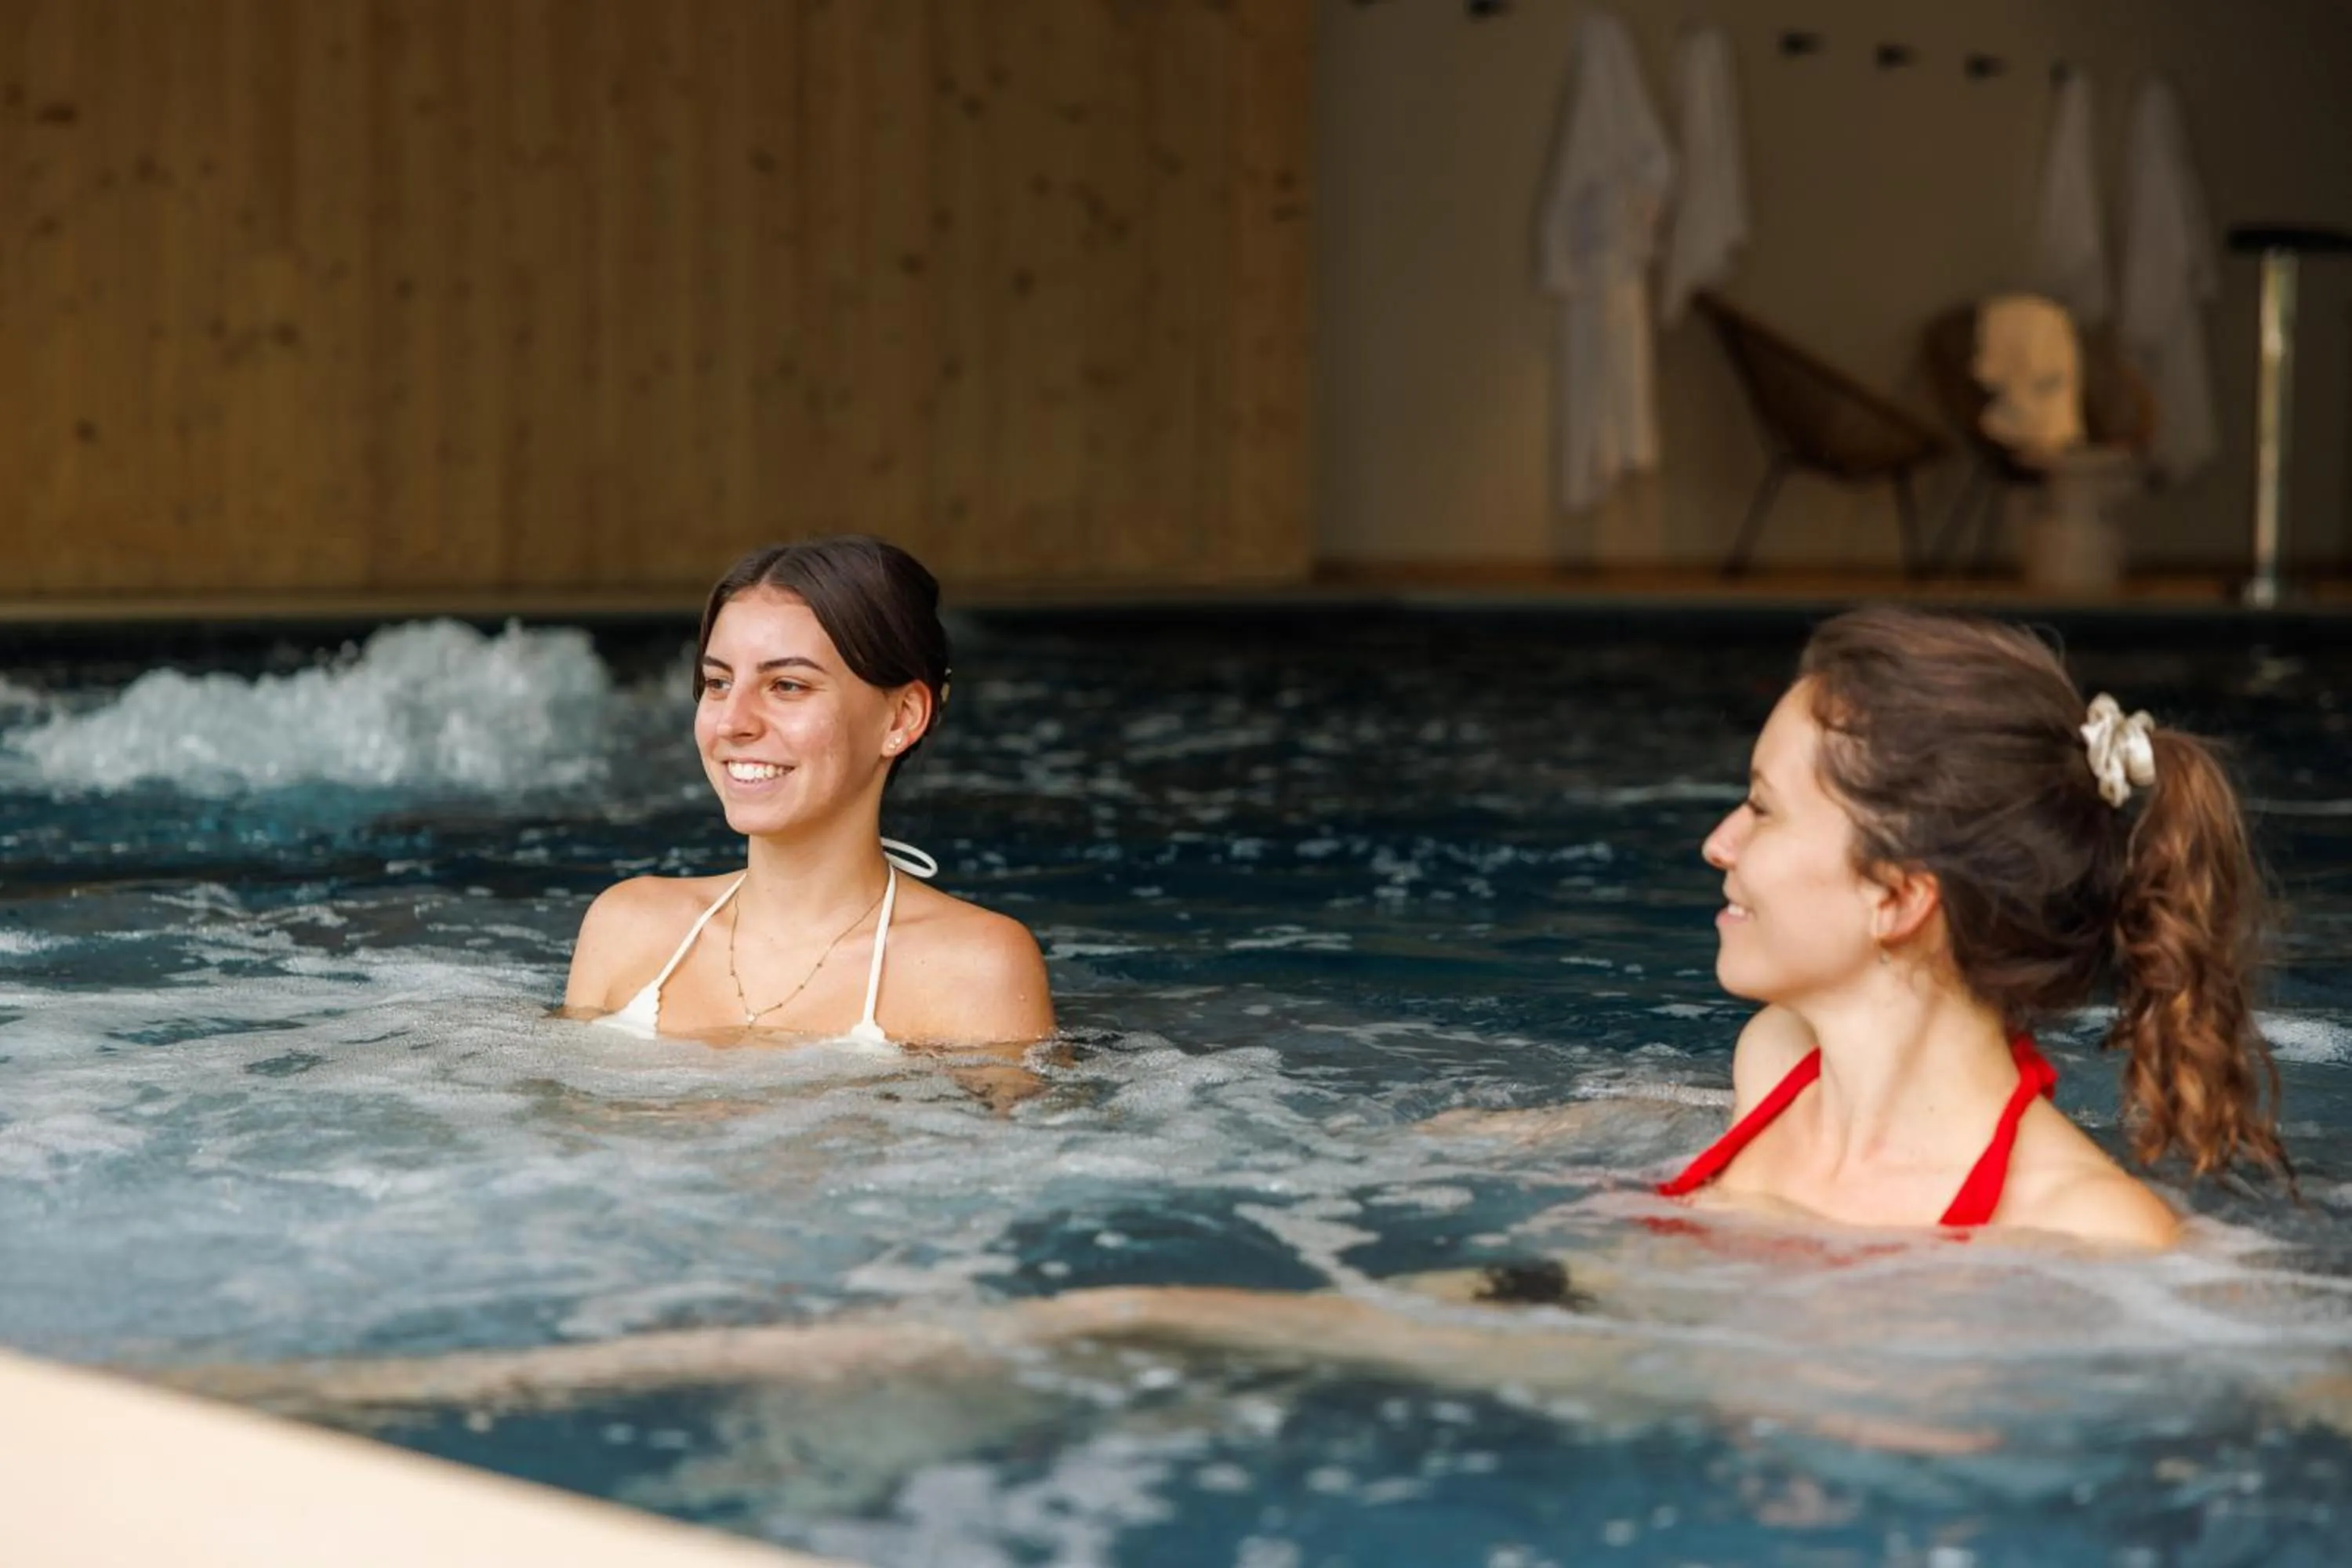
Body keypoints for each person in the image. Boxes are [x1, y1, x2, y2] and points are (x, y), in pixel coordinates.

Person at [1661, 605, 2290, 1247]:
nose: (1718, 844)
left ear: (1898, 898)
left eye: (1763, 808)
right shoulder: (1774, 1064)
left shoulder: (2095, 1234)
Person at [564, 536, 1054, 1050]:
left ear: (902, 717)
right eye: (717, 682)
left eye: (788, 686)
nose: (733, 722)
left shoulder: (975, 966)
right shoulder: (626, 927)